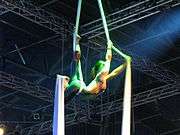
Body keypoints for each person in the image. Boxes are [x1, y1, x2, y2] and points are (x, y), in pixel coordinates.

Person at [65, 34, 129, 102]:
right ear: (100, 68)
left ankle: (77, 42)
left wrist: (125, 64)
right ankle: (76, 42)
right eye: (103, 64)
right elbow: (109, 61)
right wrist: (109, 47)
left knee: (77, 59)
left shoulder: (101, 77)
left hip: (80, 88)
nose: (106, 65)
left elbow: (114, 72)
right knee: (76, 60)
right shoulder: (102, 75)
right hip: (80, 88)